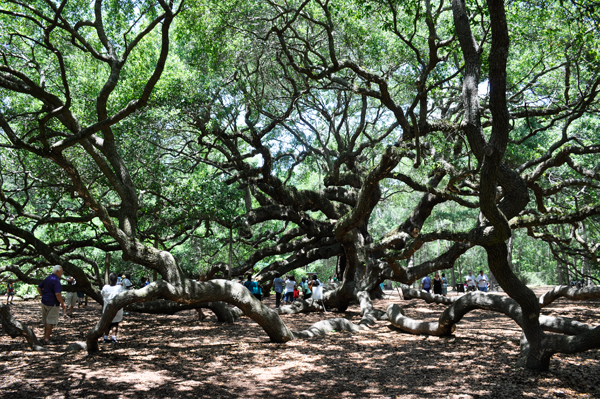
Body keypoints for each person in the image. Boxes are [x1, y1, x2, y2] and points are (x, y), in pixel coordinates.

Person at [37, 265, 67, 345]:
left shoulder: (48, 278)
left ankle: (45, 337)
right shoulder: (56, 280)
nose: (62, 273)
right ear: (57, 271)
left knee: (46, 321)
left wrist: (43, 295)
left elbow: (39, 287)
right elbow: (58, 294)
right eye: (61, 271)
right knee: (50, 321)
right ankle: (46, 340)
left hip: (44, 302)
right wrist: (62, 303)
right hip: (52, 303)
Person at [101, 272, 126, 343]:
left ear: (110, 279)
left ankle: (105, 337)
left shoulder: (105, 287)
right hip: (117, 309)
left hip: (107, 309)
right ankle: (113, 338)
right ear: (116, 280)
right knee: (115, 323)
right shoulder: (119, 288)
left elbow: (102, 293)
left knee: (108, 323)